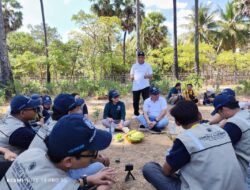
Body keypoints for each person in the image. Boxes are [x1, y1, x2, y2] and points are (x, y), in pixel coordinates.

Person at [142, 100, 245, 190]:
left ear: (177, 123)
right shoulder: (221, 130)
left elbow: (166, 171)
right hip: (237, 186)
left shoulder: (186, 139)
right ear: (199, 115)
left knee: (150, 168)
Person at [0, 114, 116, 190]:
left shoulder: (32, 153)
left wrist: (88, 180)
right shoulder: (63, 186)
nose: (96, 155)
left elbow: (47, 180)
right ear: (69, 161)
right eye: (92, 153)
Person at [29, 93, 109, 180]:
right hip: (50, 174)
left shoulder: (51, 121)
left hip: (36, 166)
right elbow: (78, 156)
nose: (80, 110)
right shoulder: (65, 130)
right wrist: (99, 159)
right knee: (99, 166)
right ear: (70, 112)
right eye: (77, 108)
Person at [211, 94, 250, 178]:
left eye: (218, 112)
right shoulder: (246, 112)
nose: (219, 115)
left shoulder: (234, 124)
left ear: (223, 109)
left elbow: (219, 150)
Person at [0, 95, 40, 160]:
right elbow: (44, 146)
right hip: (5, 166)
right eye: (34, 108)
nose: (37, 110)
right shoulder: (20, 132)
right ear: (22, 113)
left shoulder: (10, 117)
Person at [130, 51, 153, 116]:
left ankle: (145, 114)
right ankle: (136, 114)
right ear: (137, 58)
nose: (140, 58)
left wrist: (147, 76)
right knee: (135, 101)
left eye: (142, 57)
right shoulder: (134, 66)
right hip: (136, 87)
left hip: (145, 86)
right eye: (139, 57)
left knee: (146, 101)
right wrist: (132, 77)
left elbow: (151, 76)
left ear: (144, 57)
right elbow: (131, 75)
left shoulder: (148, 65)